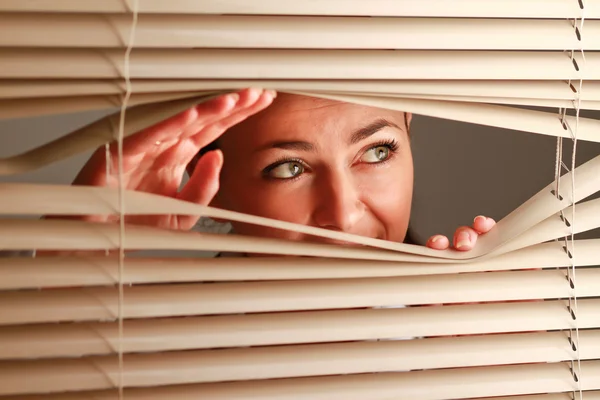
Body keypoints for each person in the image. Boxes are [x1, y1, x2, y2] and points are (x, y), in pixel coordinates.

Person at [71, 88, 496, 253]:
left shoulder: (452, 343)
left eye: (377, 152)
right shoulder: (153, 364)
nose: (344, 216)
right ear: (212, 186)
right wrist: (69, 261)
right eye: (288, 168)